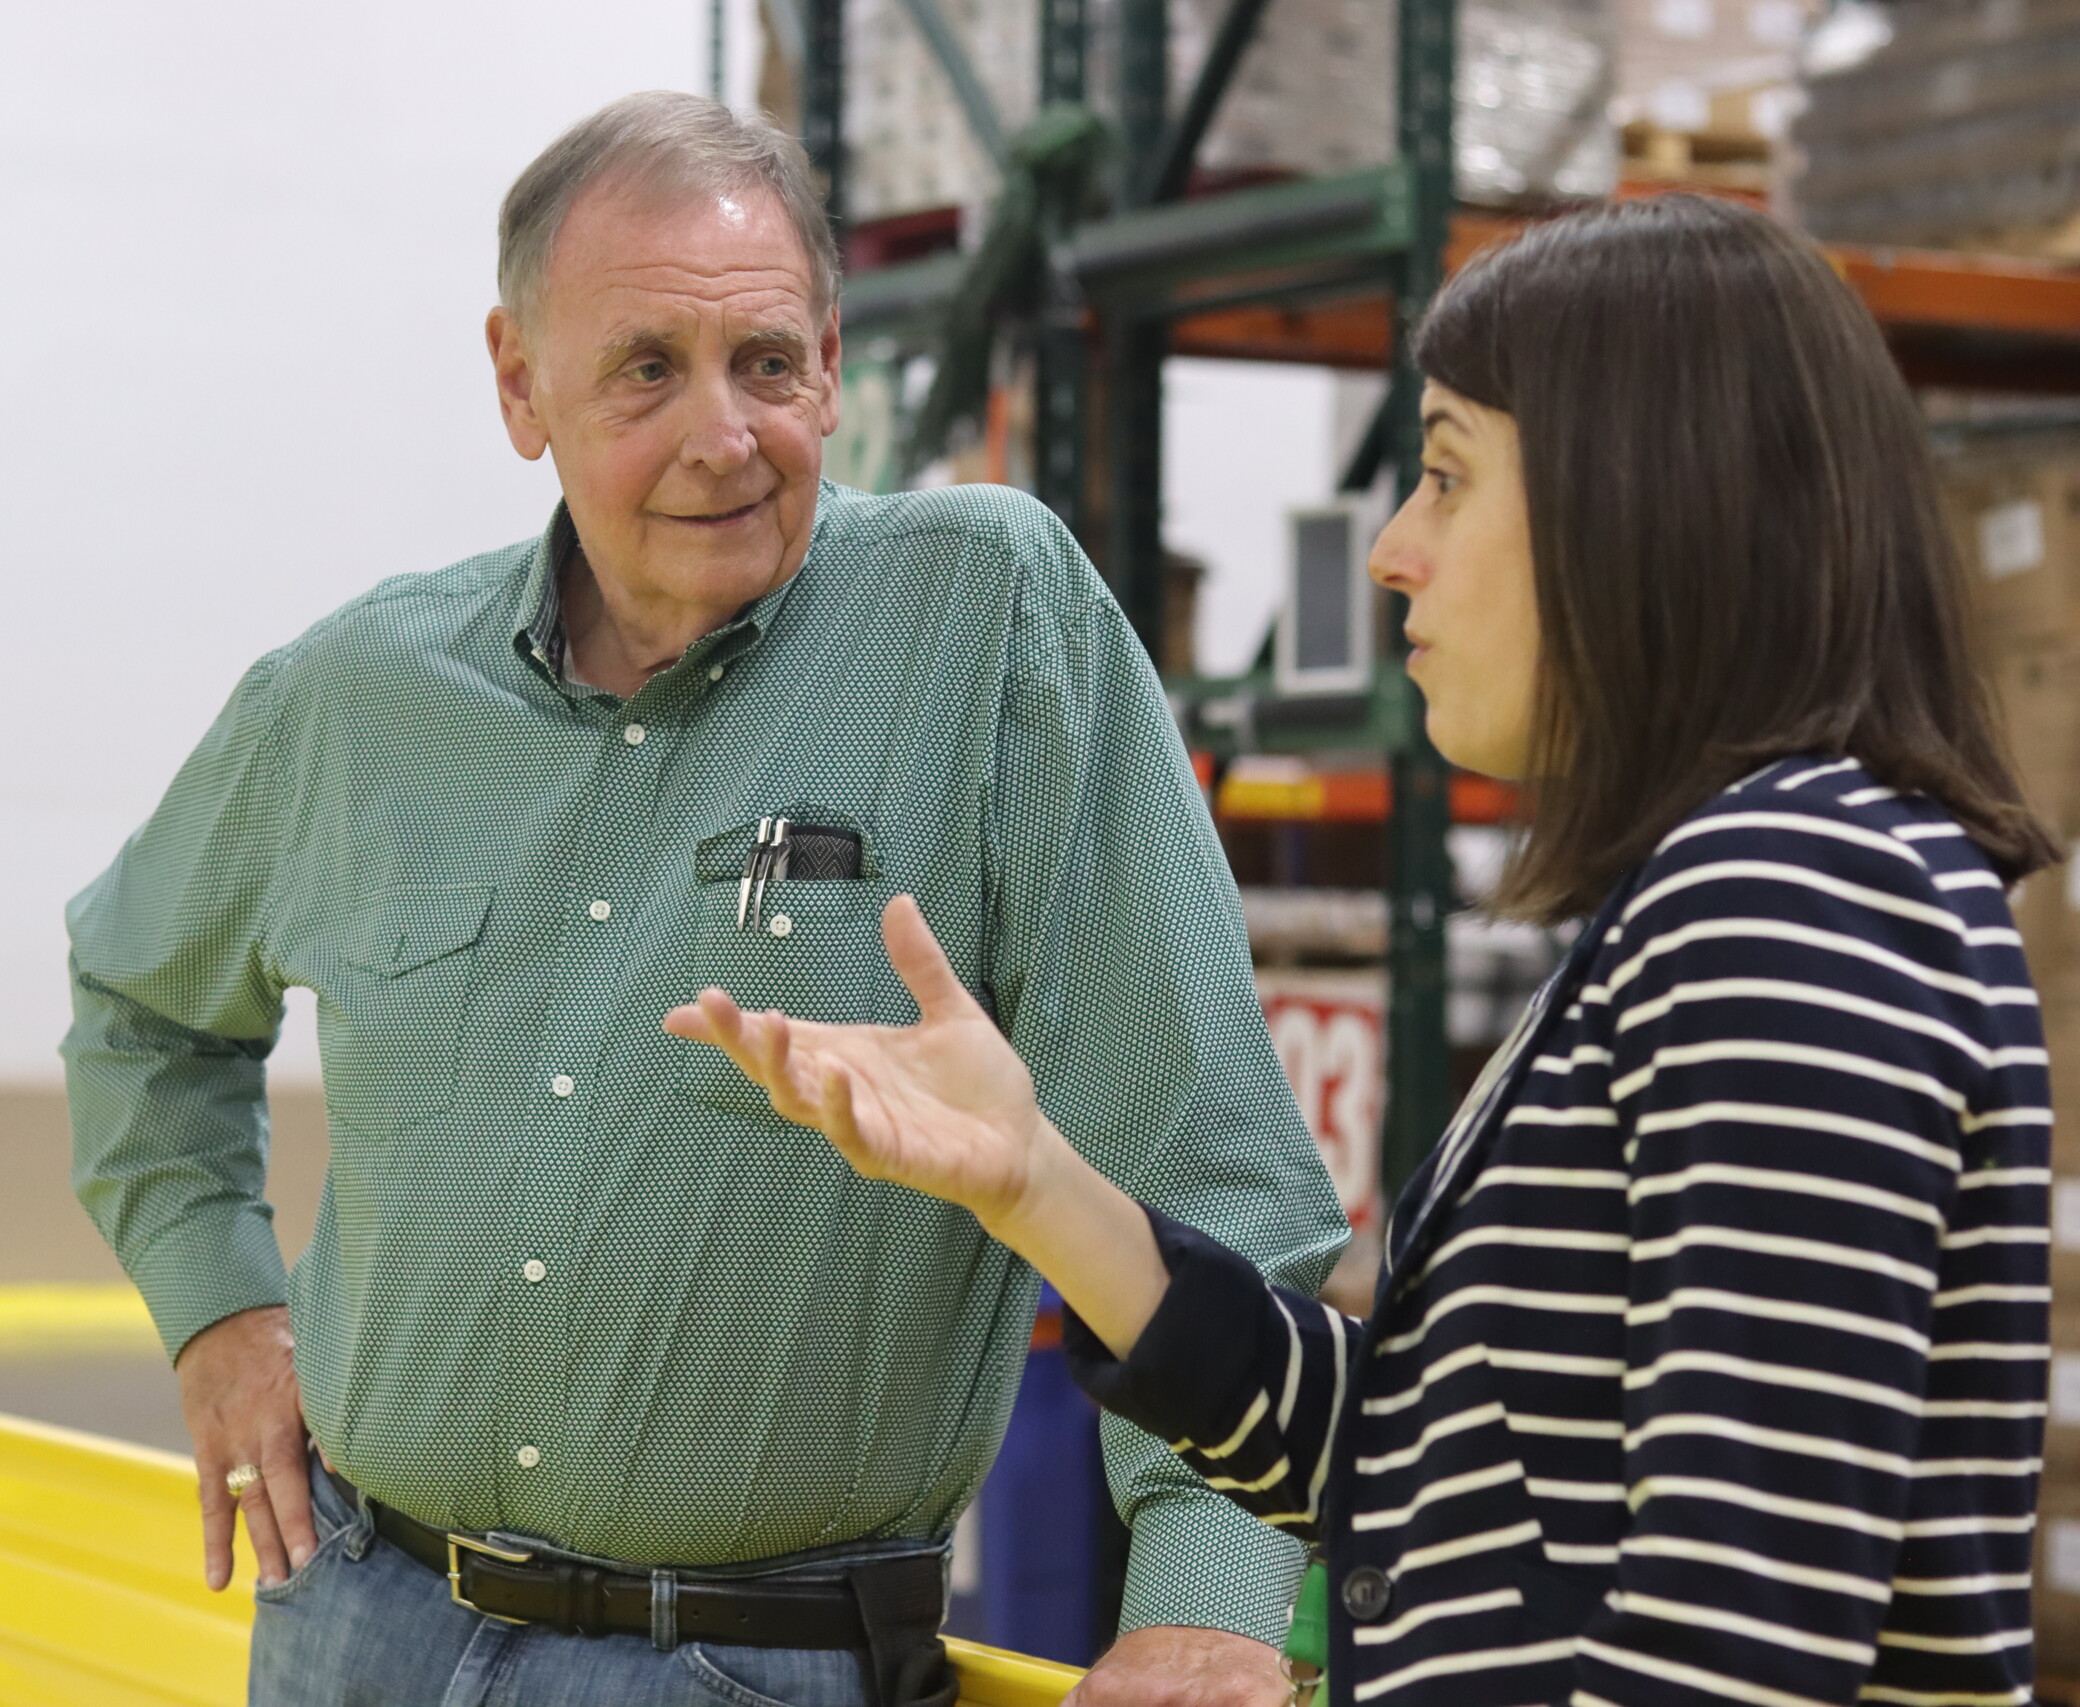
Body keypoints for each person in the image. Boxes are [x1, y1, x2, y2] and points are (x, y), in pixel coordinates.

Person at [671, 193, 2060, 1707]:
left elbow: (1733, 1644)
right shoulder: (1736, 895)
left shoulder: (1790, 906)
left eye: (1451, 476)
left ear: (1646, 499)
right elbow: (1428, 1477)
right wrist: (1036, 1183)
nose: (1393, 547)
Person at [62, 91, 1348, 1707]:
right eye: (646, 370)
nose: (723, 437)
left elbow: (1208, 1159)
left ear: (830, 354)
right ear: (520, 384)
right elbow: (135, 1006)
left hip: (757, 1667)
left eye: (768, 365)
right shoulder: (352, 699)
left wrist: (1205, 1608)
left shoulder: (987, 626)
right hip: (356, 1629)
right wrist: (221, 1312)